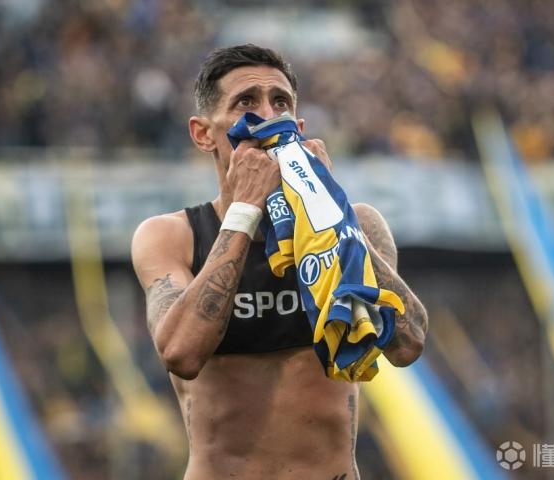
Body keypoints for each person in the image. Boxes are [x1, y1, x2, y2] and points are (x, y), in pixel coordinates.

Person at [131, 44, 428, 480]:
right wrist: (244, 212)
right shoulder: (172, 236)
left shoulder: (358, 224)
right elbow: (181, 353)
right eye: (246, 102)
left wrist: (330, 212)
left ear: (299, 127)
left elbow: (407, 344)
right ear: (203, 134)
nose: (267, 116)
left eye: (281, 102)